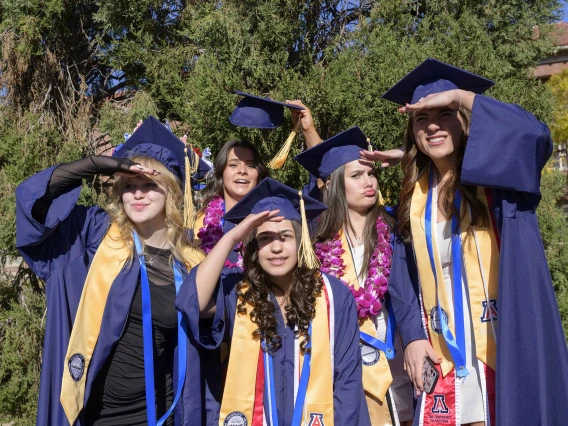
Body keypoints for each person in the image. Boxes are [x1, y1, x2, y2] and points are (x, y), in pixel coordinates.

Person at [369, 58, 568, 426]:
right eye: (421, 119)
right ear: (411, 132)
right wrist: (412, 336)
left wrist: (462, 96)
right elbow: (401, 273)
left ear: (463, 121)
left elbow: (536, 137)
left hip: (503, 340)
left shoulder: (499, 185)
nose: (432, 126)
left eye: (445, 113)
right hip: (443, 350)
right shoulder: (414, 198)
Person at [16, 116, 212, 426]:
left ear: (172, 192)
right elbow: (34, 204)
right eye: (129, 185)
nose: (138, 193)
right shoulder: (95, 234)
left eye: (150, 185)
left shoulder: (191, 262)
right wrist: (94, 164)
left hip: (159, 414)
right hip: (93, 413)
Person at [177, 178, 371, 425]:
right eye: (265, 238)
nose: (276, 247)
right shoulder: (237, 292)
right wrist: (232, 237)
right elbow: (193, 302)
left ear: (301, 241)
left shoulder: (333, 295)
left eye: (285, 236)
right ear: (254, 248)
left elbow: (347, 382)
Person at [294, 127, 414, 426]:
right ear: (335, 184)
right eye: (356, 175)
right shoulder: (314, 238)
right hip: (338, 355)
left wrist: (405, 156)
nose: (369, 182)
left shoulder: (394, 229)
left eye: (371, 173)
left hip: (393, 356)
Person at [193, 98, 322, 268]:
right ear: (220, 172)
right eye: (233, 165)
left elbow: (321, 179)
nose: (242, 170)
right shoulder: (199, 223)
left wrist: (308, 129)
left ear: (258, 174)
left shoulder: (276, 218)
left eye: (251, 165)